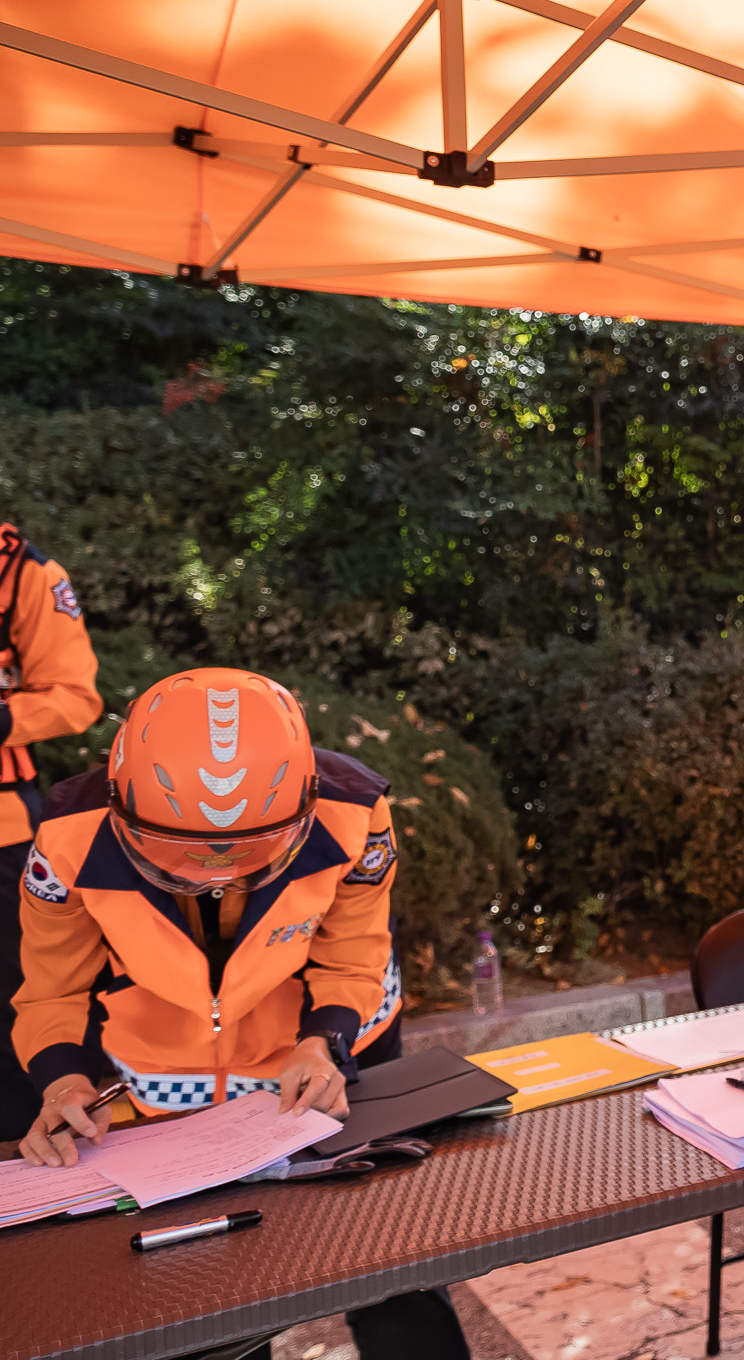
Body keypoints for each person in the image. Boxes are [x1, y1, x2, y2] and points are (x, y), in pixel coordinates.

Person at [16, 667, 465, 1357]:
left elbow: (353, 952)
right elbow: (50, 990)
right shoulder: (67, 840)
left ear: (303, 808)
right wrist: (64, 1079)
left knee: (393, 1253)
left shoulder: (354, 811)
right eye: (178, 865)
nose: (212, 881)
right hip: (172, 1082)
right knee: (210, 1285)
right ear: (119, 808)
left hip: (334, 1049)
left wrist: (325, 1041)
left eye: (248, 865)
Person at [0, 521, 102, 1142]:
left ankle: (28, 1162)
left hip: (5, 830)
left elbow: (75, 697)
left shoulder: (26, 574)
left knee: (16, 1005)